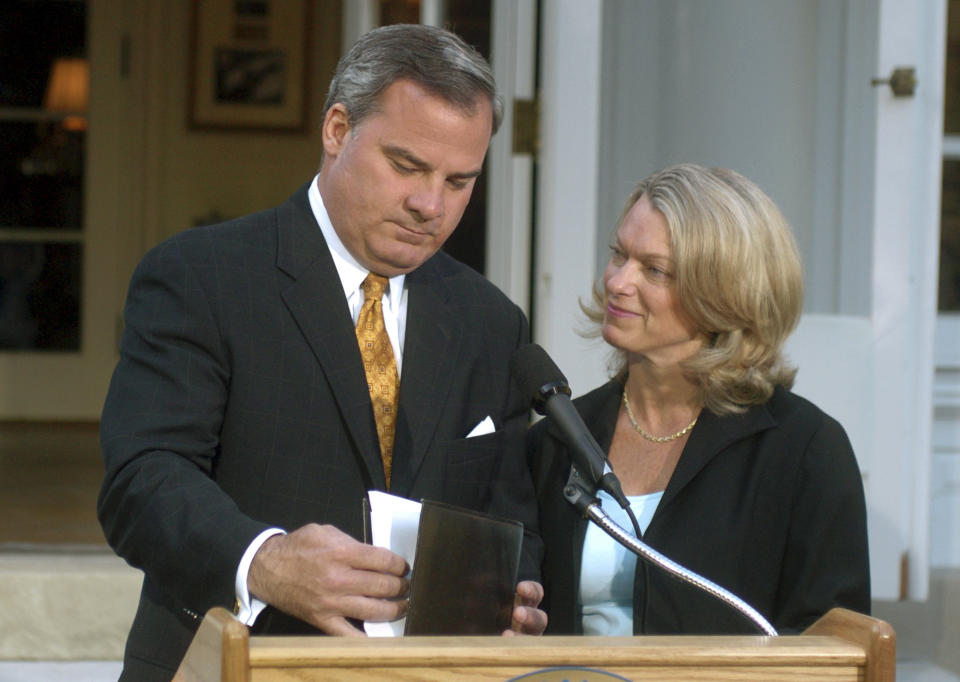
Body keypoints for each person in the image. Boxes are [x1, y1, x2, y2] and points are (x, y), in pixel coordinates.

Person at [98, 24, 546, 681]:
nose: (430, 205)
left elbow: (515, 524)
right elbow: (141, 481)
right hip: (232, 662)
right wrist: (265, 560)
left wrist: (513, 593)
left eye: (459, 181)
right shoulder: (204, 276)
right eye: (407, 166)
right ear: (337, 130)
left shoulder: (489, 322)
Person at [528, 163, 870, 635]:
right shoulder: (557, 438)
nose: (618, 282)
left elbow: (831, 643)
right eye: (619, 255)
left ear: (725, 293)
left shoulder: (805, 449)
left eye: (654, 269)